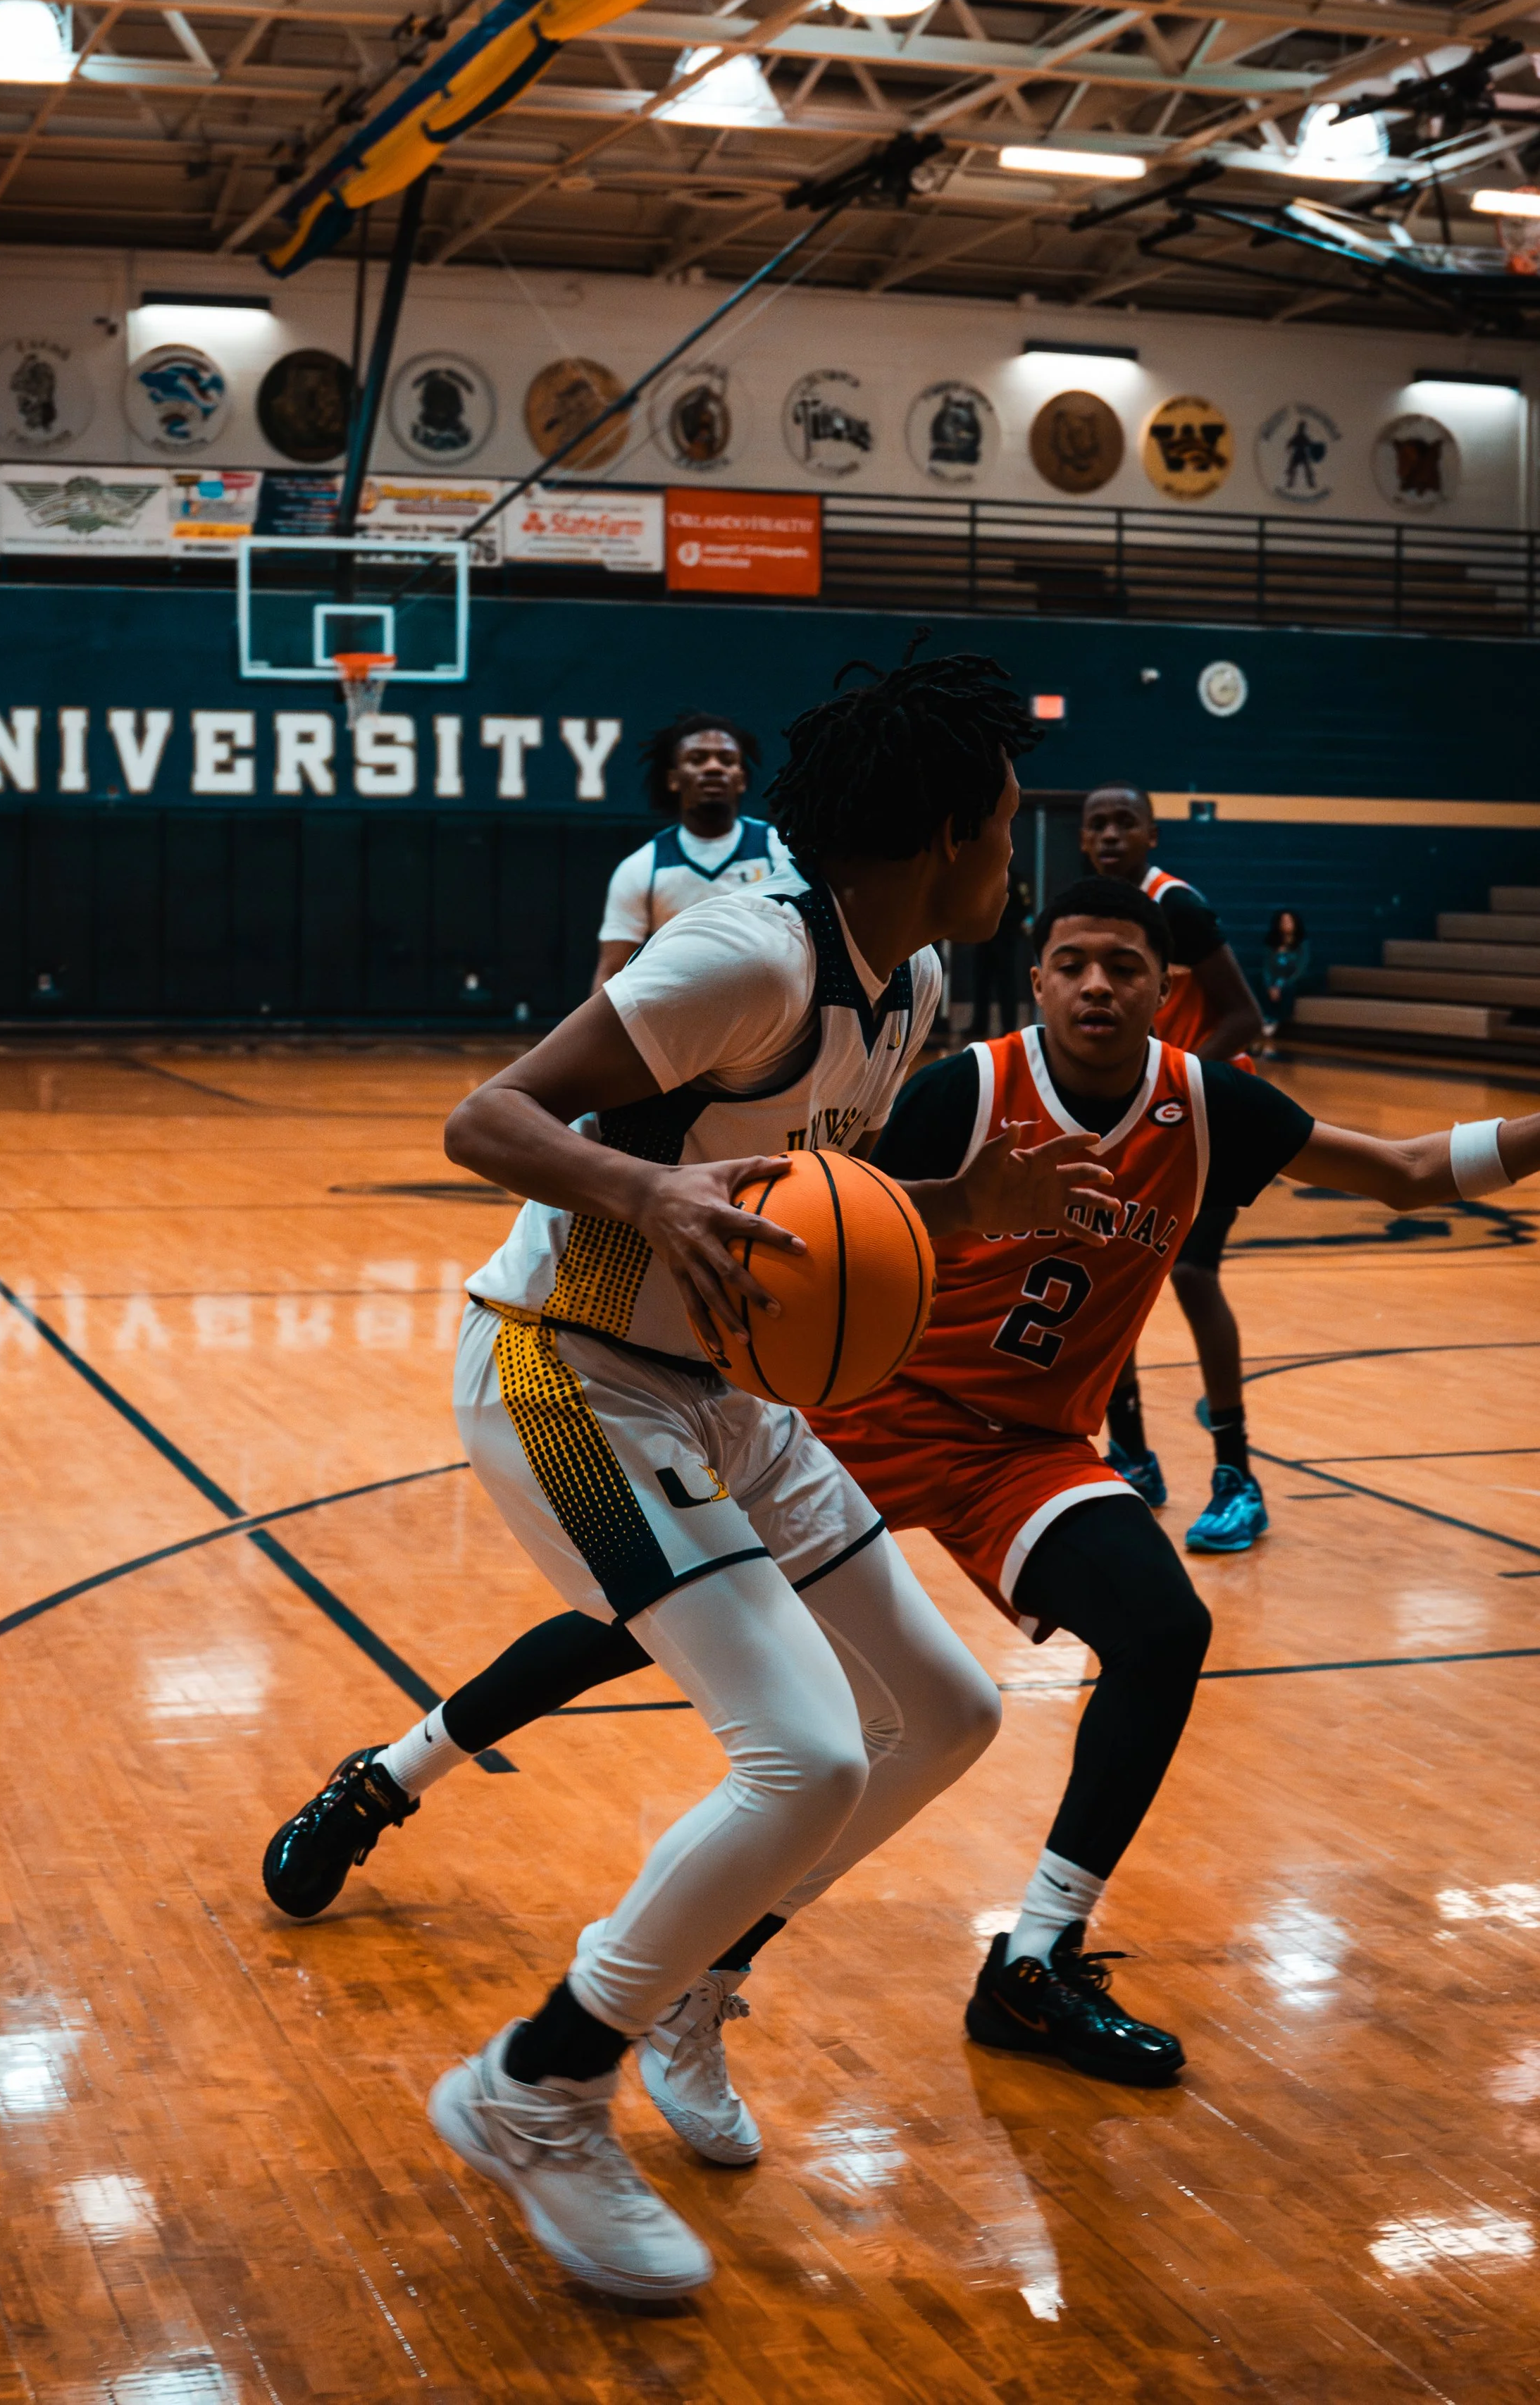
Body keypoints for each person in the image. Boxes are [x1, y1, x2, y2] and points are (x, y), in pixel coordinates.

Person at [263, 877, 1540, 2103]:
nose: (1099, 987)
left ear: (1170, 994)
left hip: (1024, 1450)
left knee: (1159, 1630)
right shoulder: (961, 1088)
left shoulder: (1210, 1105)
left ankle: (1031, 1956)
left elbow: (1416, 1171)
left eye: (1128, 970)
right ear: (1036, 979)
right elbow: (826, 1222)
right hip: (862, 1407)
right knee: (632, 1630)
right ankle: (389, 1778)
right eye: (1075, 965)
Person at [268, 655, 1123, 2300]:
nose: (1013, 851)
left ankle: (692, 1976)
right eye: (1007, 820)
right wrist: (635, 1194)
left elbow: (813, 1222)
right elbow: (487, 1116)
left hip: (725, 1394)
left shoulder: (914, 987)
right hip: (565, 1367)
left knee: (945, 1712)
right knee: (800, 1751)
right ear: (947, 828)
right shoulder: (750, 951)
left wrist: (968, 1204)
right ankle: (538, 2079)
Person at [1079, 786, 1267, 1556]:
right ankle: (1132, 1459)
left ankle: (1237, 1478)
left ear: (1153, 833)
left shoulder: (1176, 908)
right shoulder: (1084, 911)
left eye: (1126, 820)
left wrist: (1173, 1084)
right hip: (1137, 1114)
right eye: (1097, 823)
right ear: (1083, 839)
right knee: (1108, 1267)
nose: (1111, 832)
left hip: (1211, 1107)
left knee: (1191, 1274)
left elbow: (1243, 1017)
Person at [592, 712, 789, 991]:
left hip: (771, 1016)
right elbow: (611, 971)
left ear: (741, 780)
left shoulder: (780, 852)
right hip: (676, 1018)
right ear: (673, 779)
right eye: (697, 759)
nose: (713, 768)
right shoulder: (642, 868)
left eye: (727, 760)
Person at [967, 867, 1031, 1041]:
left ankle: (1009, 1027)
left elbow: (1025, 908)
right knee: (981, 984)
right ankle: (979, 1025)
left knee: (1007, 986)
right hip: (984, 940)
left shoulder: (1016, 879)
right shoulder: (985, 877)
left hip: (1006, 941)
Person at [1260, 908, 1310, 1056]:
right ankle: (1264, 1018)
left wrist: (1281, 986)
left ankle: (1276, 1020)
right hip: (1274, 982)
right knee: (1259, 982)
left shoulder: (1302, 945)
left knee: (1288, 989)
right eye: (1283, 921)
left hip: (1292, 981)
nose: (1286, 924)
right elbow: (1267, 969)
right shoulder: (1272, 945)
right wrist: (1270, 986)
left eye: (1289, 921)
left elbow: (1300, 969)